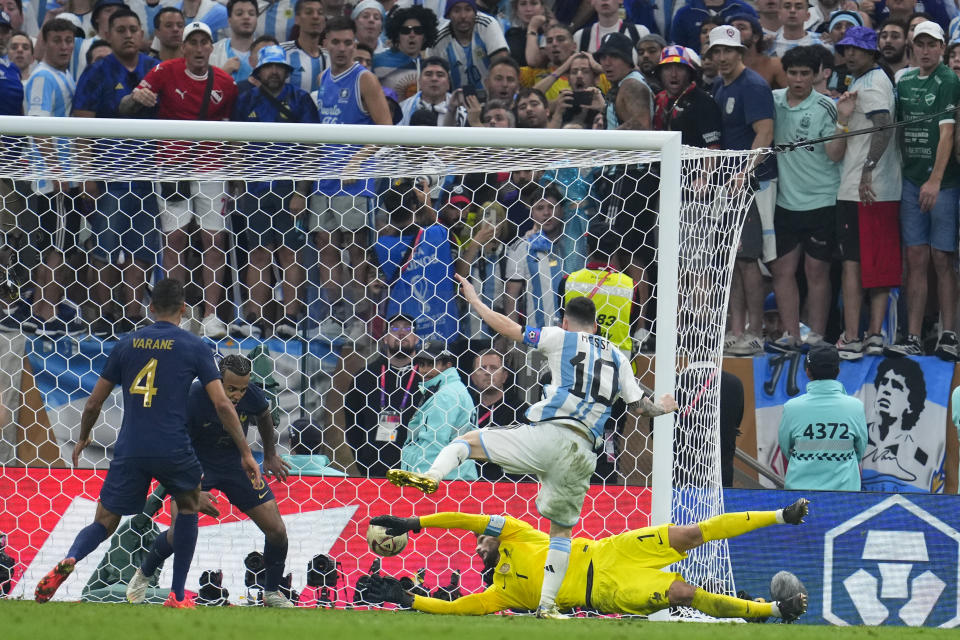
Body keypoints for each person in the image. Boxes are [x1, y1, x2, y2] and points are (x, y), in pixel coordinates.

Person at [387, 275, 677, 619]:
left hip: (547, 435)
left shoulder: (559, 337)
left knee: (466, 443)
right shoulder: (618, 357)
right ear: (597, 326)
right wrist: (664, 406)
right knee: (562, 532)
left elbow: (510, 328)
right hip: (582, 452)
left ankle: (433, 476)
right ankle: (547, 606)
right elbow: (641, 407)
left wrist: (477, 302)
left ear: (565, 321)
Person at [33, 278, 261, 608]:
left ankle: (71, 558)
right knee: (186, 509)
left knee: (103, 522)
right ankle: (177, 595)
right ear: (184, 309)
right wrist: (245, 453)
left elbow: (94, 402)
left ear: (150, 308)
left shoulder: (127, 344)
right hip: (173, 446)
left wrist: (83, 437)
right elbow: (223, 404)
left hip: (131, 447)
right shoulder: (194, 346)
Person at [366, 500, 809, 620]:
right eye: (478, 544)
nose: (479, 539)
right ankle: (771, 610)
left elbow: (466, 518)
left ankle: (780, 515)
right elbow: (459, 608)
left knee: (692, 532)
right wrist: (408, 599)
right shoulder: (503, 591)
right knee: (684, 593)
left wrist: (414, 521)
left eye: (483, 538)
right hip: (608, 591)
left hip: (613, 548)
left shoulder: (518, 534)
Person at [126, 354, 294, 608]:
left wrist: (270, 454)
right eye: (232, 389)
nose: (238, 395)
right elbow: (175, 445)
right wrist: (190, 489)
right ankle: (144, 574)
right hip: (195, 468)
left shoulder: (252, 395)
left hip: (236, 466)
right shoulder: (193, 397)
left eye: (243, 389)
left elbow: (264, 414)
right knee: (180, 531)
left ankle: (271, 592)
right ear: (216, 380)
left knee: (277, 530)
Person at [121, 21, 239, 339]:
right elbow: (129, 104)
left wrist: (234, 170)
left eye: (205, 42)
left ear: (211, 47)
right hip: (172, 166)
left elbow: (232, 132)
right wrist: (139, 98)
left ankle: (212, 316)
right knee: (175, 240)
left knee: (214, 240)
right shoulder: (164, 71)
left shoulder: (226, 83)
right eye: (193, 42)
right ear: (184, 47)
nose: (199, 48)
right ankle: (178, 314)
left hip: (212, 168)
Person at [73, 7, 161, 338]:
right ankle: (104, 314)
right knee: (104, 247)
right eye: (120, 29)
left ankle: (133, 315)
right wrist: (87, 176)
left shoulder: (155, 69)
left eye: (133, 29)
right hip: (108, 174)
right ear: (107, 35)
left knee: (141, 248)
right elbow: (82, 125)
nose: (127, 34)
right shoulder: (97, 72)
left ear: (142, 34)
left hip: (147, 176)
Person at [310, 15, 391, 341]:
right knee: (326, 249)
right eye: (336, 42)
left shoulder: (364, 79)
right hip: (324, 178)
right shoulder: (323, 76)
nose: (342, 48)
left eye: (348, 43)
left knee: (355, 250)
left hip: (355, 180)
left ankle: (360, 319)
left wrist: (357, 161)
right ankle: (336, 315)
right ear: (324, 44)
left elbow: (387, 132)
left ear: (355, 45)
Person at [229, 44, 317, 339]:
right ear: (259, 71)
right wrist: (239, 183)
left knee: (289, 252)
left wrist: (302, 190)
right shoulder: (246, 100)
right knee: (257, 253)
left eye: (280, 67)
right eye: (269, 67)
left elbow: (311, 147)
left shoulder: (301, 100)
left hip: (289, 186)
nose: (275, 72)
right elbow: (236, 144)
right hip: (255, 186)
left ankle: (290, 317)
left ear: (287, 71)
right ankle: (255, 317)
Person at [824, 25, 900, 360]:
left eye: (857, 48)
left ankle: (862, 336)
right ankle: (864, 336)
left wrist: (868, 169)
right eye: (845, 48)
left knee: (863, 266)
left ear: (872, 52)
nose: (849, 53)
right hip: (858, 188)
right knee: (856, 264)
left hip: (869, 190)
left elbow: (883, 126)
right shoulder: (860, 82)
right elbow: (840, 150)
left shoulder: (874, 82)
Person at [886, 21, 960, 360]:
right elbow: (898, 129)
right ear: (913, 47)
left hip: (942, 183)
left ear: (942, 48)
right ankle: (912, 336)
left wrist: (935, 180)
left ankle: (949, 334)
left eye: (933, 45)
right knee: (914, 259)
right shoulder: (904, 81)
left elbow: (947, 134)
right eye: (921, 44)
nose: (926, 50)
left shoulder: (948, 81)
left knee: (941, 259)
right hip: (910, 180)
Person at [767, 45, 838, 352]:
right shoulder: (772, 102)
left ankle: (818, 336)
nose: (798, 79)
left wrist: (843, 121)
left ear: (816, 75)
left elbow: (836, 155)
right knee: (782, 270)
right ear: (786, 74)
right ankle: (791, 334)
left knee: (816, 271)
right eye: (793, 73)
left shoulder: (826, 107)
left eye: (804, 73)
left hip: (822, 199)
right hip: (785, 201)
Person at [708, 25, 774, 357]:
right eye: (715, 52)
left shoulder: (754, 86)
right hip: (724, 184)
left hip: (751, 185)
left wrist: (744, 172)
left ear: (740, 53)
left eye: (727, 51)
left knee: (749, 260)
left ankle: (756, 332)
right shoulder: (719, 86)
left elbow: (765, 133)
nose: (721, 57)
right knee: (730, 261)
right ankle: (735, 331)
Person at [21, 18, 86, 336]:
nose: (64, 46)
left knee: (59, 246)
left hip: (66, 176)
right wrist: (57, 171)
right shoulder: (43, 77)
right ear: (43, 42)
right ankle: (46, 314)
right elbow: (38, 126)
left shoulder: (63, 74)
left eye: (68, 41)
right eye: (58, 40)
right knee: (57, 249)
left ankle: (44, 310)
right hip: (55, 179)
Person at [777, 344, 867, 490]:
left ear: (807, 372)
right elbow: (860, 449)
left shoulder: (791, 407)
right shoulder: (855, 406)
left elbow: (786, 448)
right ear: (838, 371)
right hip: (845, 493)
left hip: (800, 491)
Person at [343, 314, 420, 477]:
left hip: (417, 468)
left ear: (417, 338)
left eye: (407, 328)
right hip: (375, 470)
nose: (401, 333)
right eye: (394, 329)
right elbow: (353, 424)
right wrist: (364, 461)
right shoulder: (365, 377)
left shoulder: (426, 377)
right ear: (385, 338)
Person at [399, 342, 478, 480]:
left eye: (431, 364)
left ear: (448, 365)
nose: (424, 370)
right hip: (456, 476)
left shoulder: (445, 396)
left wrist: (421, 481)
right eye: (422, 365)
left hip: (442, 481)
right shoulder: (454, 389)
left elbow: (433, 446)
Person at [862, 357, 935, 492]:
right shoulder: (859, 437)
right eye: (884, 382)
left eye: (896, 385)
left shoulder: (919, 457)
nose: (886, 390)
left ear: (911, 404)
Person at [428, 0, 508, 95]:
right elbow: (432, 79)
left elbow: (503, 65)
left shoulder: (487, 24)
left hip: (492, 98)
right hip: (454, 102)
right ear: (448, 15)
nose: (463, 16)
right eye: (457, 11)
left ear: (475, 12)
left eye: (468, 9)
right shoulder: (438, 40)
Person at [652, 45, 722, 149]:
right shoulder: (659, 99)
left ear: (689, 73)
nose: (674, 74)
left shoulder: (703, 102)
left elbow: (713, 150)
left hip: (694, 164)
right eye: (667, 68)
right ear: (660, 74)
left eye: (679, 68)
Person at [373, 5, 438, 100]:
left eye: (418, 30)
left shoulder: (429, 67)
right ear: (397, 36)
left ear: (425, 37)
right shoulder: (377, 61)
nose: (412, 34)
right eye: (405, 30)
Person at [281, 0, 326, 93]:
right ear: (297, 19)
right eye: (309, 12)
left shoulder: (330, 57)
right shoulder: (281, 52)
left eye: (320, 13)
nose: (315, 16)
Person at [209, 0, 258, 83]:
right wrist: (223, 73)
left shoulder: (266, 52)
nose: (246, 17)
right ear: (229, 20)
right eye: (239, 13)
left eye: (251, 14)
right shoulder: (212, 52)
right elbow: (202, 90)